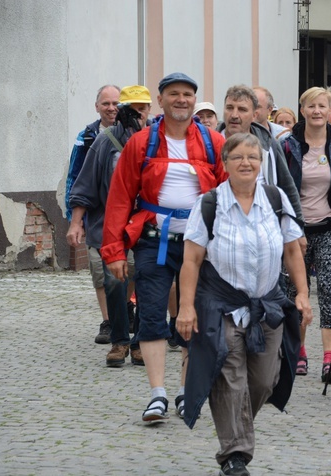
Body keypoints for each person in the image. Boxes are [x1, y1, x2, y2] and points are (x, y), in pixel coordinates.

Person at [177, 133, 312, 476]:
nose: (246, 163)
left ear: (261, 162)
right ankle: (234, 454)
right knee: (230, 377)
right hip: (221, 305)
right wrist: (186, 307)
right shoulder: (210, 204)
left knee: (265, 380)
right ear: (225, 164)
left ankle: (234, 423)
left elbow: (293, 250)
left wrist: (301, 294)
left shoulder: (275, 198)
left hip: (266, 305)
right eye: (238, 157)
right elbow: (191, 260)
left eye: (253, 157)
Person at [101, 72, 227, 422]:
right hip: (153, 240)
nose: (181, 100)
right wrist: (113, 251)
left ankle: (187, 392)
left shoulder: (213, 142)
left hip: (200, 245)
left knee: (194, 317)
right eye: (174, 94)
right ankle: (157, 394)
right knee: (152, 315)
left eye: (188, 94)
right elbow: (120, 197)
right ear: (161, 100)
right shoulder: (141, 143)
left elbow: (230, 194)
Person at [68, 85, 151, 367]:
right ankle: (119, 341)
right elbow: (86, 184)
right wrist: (76, 222)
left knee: (147, 281)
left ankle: (140, 342)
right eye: (133, 109)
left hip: (148, 223)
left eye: (143, 108)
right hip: (110, 224)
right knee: (115, 282)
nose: (138, 114)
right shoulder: (105, 142)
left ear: (150, 109)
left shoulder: (158, 140)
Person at [279, 86, 331, 381]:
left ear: (330, 111)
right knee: (295, 293)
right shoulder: (288, 146)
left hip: (330, 228)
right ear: (302, 110)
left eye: (322, 106)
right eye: (311, 106)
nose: (316, 111)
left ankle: (329, 359)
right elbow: (280, 191)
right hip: (296, 231)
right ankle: (298, 351)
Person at [65, 84, 121, 344]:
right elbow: (76, 176)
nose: (111, 108)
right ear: (97, 106)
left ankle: (125, 311)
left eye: (115, 103)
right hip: (96, 214)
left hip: (126, 215)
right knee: (100, 270)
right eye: (106, 103)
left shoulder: (134, 133)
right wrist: (74, 218)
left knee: (129, 268)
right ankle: (109, 320)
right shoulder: (87, 136)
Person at [222, 85, 305, 242]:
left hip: (265, 232)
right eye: (229, 108)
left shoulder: (269, 144)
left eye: (242, 109)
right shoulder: (211, 144)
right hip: (223, 233)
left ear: (254, 114)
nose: (234, 115)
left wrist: (298, 229)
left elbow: (287, 187)